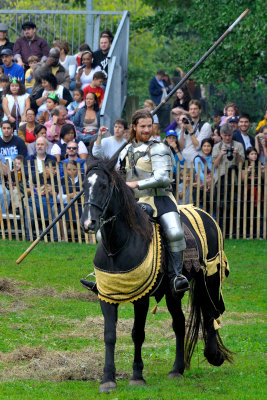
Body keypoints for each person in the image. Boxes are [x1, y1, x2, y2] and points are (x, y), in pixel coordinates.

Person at [119, 109, 189, 295]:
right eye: (142, 126)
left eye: (149, 126)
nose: (146, 129)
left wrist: (135, 183)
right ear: (134, 127)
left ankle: (176, 277)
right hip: (132, 200)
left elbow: (163, 178)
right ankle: (105, 274)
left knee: (174, 232)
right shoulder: (125, 149)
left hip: (160, 198)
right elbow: (119, 174)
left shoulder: (159, 148)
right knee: (107, 228)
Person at [179, 99, 212, 164]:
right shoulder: (187, 124)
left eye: (195, 109)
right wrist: (182, 131)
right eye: (191, 109)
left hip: (196, 163)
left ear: (200, 111)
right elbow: (181, 147)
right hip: (184, 161)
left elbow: (197, 146)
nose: (192, 111)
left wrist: (191, 130)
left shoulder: (205, 126)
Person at [194, 138, 214, 210]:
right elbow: (199, 172)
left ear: (212, 147)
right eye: (204, 146)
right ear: (201, 147)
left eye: (208, 146)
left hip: (213, 186)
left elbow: (215, 170)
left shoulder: (214, 158)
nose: (206, 148)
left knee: (213, 208)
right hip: (201, 188)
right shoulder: (197, 159)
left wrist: (212, 180)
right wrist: (207, 182)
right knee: (201, 208)